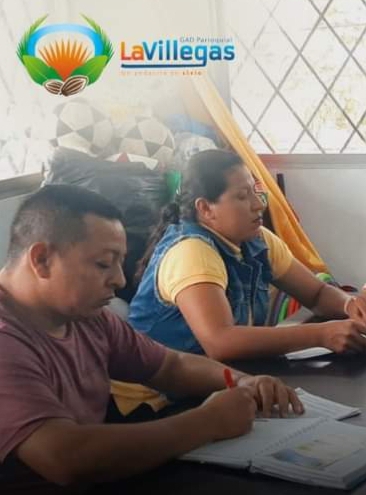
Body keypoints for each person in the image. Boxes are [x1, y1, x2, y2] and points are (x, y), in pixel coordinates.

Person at [0, 185, 301, 492]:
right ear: (42, 260)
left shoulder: (87, 317)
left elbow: (170, 365)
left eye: (120, 263)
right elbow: (63, 458)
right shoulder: (7, 338)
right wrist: (208, 421)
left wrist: (243, 382)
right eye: (103, 263)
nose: (119, 280)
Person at [126, 149, 366, 361]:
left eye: (255, 191)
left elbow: (316, 294)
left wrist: (348, 304)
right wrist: (320, 334)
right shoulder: (191, 251)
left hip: (223, 379)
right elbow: (220, 342)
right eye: (242, 196)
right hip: (162, 398)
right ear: (205, 209)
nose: (259, 204)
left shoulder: (257, 239)